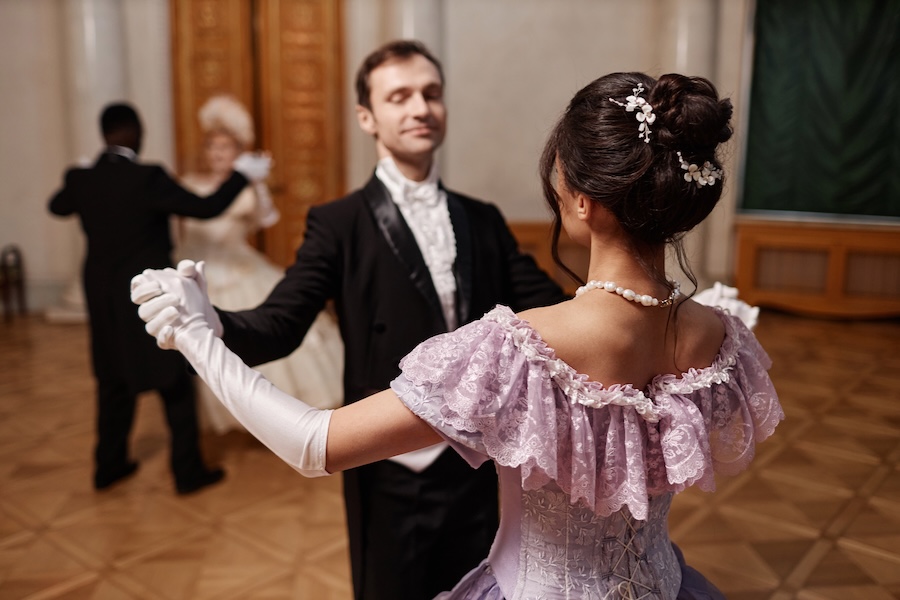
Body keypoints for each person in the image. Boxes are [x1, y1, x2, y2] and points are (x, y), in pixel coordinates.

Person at [133, 70, 784, 599]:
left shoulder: (524, 347)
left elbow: (312, 443)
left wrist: (195, 336)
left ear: (582, 200)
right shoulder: (724, 338)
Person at [143, 40, 565, 600]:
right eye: (400, 96)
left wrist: (627, 299)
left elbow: (552, 308)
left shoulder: (482, 219)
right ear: (368, 116)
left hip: (476, 458)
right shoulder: (338, 222)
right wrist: (212, 322)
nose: (420, 107)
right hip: (389, 453)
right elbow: (281, 322)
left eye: (431, 94)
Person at [48, 102, 270, 494]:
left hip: (101, 292)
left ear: (103, 135)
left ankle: (108, 466)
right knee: (173, 379)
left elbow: (57, 205)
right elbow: (207, 207)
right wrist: (240, 176)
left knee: (112, 377)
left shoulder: (80, 178)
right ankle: (187, 473)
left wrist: (83, 175)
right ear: (137, 134)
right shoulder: (147, 177)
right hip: (146, 291)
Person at [175, 95, 343, 432]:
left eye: (225, 148)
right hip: (194, 272)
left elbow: (265, 217)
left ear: (238, 153)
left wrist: (256, 183)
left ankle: (265, 416)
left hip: (238, 271)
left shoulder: (247, 191)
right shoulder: (188, 185)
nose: (218, 154)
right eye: (212, 147)